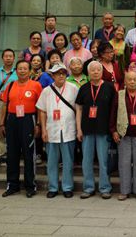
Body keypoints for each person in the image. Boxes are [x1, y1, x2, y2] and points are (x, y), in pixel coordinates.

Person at [0, 60, 42, 197]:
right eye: (20, 69)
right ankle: (12, 185)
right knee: (12, 153)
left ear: (29, 71)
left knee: (28, 154)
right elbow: (5, 105)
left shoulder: (36, 85)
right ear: (16, 71)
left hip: (29, 120)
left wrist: (38, 124)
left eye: (25, 68)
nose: (22, 71)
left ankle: (30, 186)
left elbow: (40, 107)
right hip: (12, 120)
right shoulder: (10, 85)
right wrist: (2, 124)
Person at [76, 61, 117, 199]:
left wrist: (113, 129)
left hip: (103, 130)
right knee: (86, 160)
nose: (95, 72)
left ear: (102, 72)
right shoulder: (83, 88)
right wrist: (78, 129)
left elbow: (114, 109)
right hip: (86, 129)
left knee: (103, 160)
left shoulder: (109, 87)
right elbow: (79, 109)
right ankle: (88, 187)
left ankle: (105, 188)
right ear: (88, 72)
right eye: (92, 70)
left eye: (98, 70)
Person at [36, 63, 78, 199]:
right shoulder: (46, 91)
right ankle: (53, 187)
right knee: (52, 162)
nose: (61, 76)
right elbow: (42, 111)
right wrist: (43, 130)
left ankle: (67, 187)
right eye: (58, 73)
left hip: (68, 129)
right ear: (52, 76)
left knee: (68, 161)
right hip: (52, 130)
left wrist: (79, 128)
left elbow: (79, 109)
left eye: (63, 73)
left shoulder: (73, 88)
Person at [110, 71, 136, 201]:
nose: (132, 82)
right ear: (125, 82)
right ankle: (124, 191)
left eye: (134, 80)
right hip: (123, 134)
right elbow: (113, 113)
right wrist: (113, 131)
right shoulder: (119, 95)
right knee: (124, 163)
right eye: (129, 79)